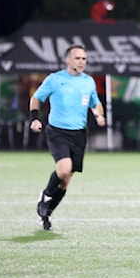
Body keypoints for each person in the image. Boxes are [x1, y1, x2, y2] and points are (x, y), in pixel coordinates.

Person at [30, 44, 106, 230]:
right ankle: (45, 196)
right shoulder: (55, 79)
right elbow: (36, 98)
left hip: (79, 134)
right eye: (77, 58)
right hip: (58, 131)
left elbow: (96, 103)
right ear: (68, 60)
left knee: (65, 181)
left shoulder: (88, 81)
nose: (81, 62)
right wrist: (34, 119)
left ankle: (46, 214)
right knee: (64, 169)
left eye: (84, 59)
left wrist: (98, 114)